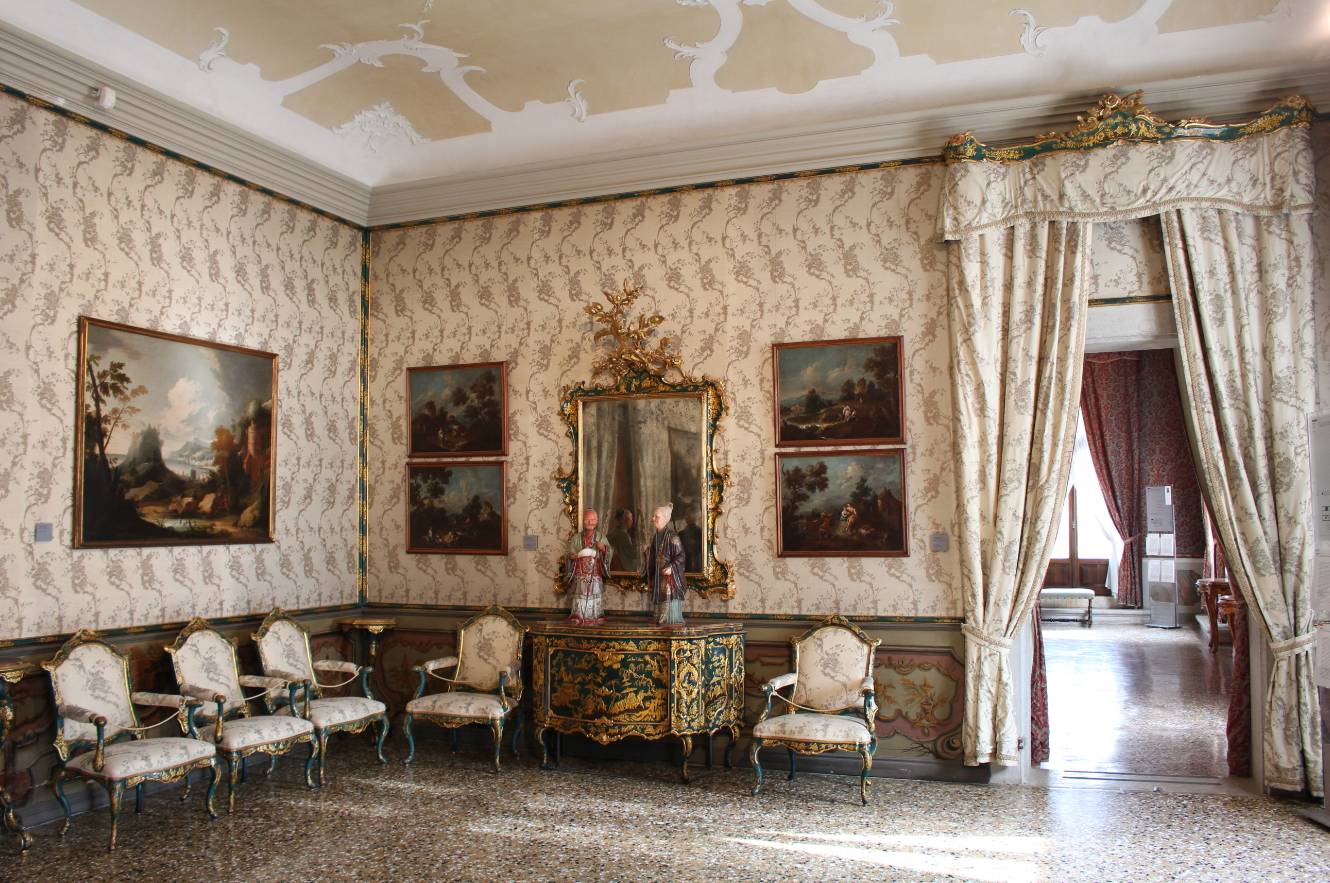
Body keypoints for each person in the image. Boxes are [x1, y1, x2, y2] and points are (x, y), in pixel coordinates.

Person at [642, 505, 686, 625]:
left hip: (667, 574)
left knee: (666, 593)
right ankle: (658, 616)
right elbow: (655, 555)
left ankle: (666, 616)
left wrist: (671, 568)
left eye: (656, 516)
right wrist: (648, 552)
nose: (653, 519)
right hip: (658, 572)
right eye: (653, 516)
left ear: (665, 518)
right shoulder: (657, 535)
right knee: (658, 592)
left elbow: (681, 555)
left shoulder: (672, 536)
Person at [563, 508, 609, 625]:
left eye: (593, 520)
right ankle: (579, 615)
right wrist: (573, 556)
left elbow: (610, 552)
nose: (590, 522)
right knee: (580, 596)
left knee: (594, 596)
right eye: (587, 520)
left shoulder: (601, 537)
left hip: (595, 574)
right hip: (580, 575)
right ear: (583, 521)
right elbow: (568, 552)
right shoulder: (576, 538)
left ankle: (595, 615)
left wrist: (603, 549)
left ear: (597, 521)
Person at [606, 508, 638, 572]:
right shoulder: (624, 536)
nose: (632, 521)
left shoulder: (610, 534)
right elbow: (630, 554)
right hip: (619, 570)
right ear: (628, 521)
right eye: (631, 519)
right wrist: (636, 545)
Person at [679, 505, 703, 573]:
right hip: (700, 565)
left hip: (686, 566)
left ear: (687, 517)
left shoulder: (681, 534)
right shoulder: (703, 533)